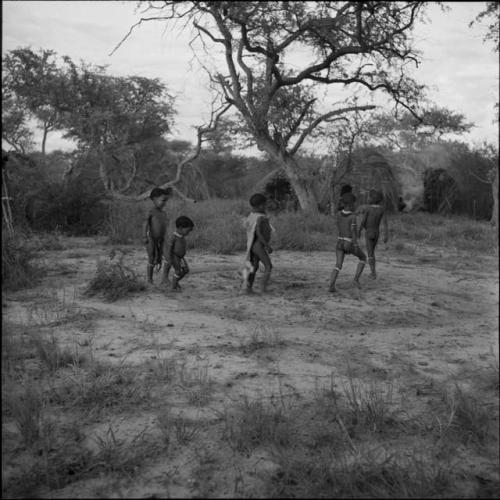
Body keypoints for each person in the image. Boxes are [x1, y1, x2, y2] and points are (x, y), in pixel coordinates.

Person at [329, 192, 366, 292]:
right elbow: (353, 232)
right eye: (354, 203)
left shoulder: (338, 214)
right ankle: (356, 280)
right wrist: (355, 245)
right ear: (350, 204)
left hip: (339, 242)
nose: (355, 205)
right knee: (363, 257)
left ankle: (331, 286)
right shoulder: (353, 217)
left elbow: (339, 226)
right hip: (348, 243)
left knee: (338, 265)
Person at [242, 193, 273, 294]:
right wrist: (267, 245)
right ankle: (263, 287)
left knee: (254, 267)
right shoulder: (260, 217)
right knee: (268, 266)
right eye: (265, 205)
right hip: (258, 245)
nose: (266, 207)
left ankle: (248, 288)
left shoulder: (252, 215)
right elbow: (259, 232)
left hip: (253, 245)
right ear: (261, 206)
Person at [143, 187, 172, 284]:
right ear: (154, 199)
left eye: (166, 201)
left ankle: (165, 278)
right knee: (151, 258)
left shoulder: (163, 213)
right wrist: (144, 236)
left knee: (168, 257)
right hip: (151, 238)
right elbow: (145, 223)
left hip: (162, 239)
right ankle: (150, 280)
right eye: (163, 200)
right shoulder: (151, 211)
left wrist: (167, 237)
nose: (165, 203)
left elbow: (165, 227)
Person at [358, 189, 389, 279]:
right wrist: (386, 235)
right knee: (372, 253)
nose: (368, 198)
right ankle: (373, 271)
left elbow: (363, 221)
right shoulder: (381, 210)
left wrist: (359, 231)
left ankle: (373, 273)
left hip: (369, 232)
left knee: (370, 253)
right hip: (376, 233)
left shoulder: (368, 209)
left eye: (369, 197)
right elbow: (385, 223)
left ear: (372, 199)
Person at [164, 215, 194, 290]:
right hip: (175, 256)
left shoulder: (181, 236)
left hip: (180, 257)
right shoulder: (174, 237)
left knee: (186, 270)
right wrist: (169, 259)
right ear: (180, 228)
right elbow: (169, 248)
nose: (188, 233)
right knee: (178, 271)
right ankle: (173, 288)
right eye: (188, 231)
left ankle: (175, 282)